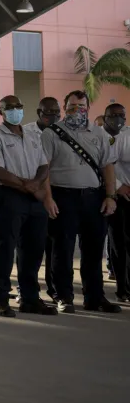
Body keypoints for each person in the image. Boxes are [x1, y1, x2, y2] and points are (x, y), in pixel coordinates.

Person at [42, 90, 120, 313]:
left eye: (82, 106)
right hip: (62, 197)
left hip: (93, 198)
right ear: (65, 107)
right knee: (62, 249)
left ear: (88, 107)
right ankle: (63, 296)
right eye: (73, 106)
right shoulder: (51, 134)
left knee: (94, 250)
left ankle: (95, 297)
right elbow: (43, 169)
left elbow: (108, 166)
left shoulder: (98, 133)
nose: (77, 110)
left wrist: (110, 196)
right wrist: (48, 198)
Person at [0, 95, 58, 317]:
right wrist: (29, 186)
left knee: (33, 250)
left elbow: (44, 165)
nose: (15, 110)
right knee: (4, 248)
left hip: (34, 199)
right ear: (1, 112)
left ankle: (29, 298)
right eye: (10, 107)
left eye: (18, 106)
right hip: (8, 197)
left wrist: (35, 186)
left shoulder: (33, 135)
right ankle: (0, 298)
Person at [27, 96, 63, 297]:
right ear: (39, 112)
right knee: (32, 245)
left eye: (56, 112)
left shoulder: (63, 132)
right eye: (48, 113)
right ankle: (28, 287)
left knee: (53, 243)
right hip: (31, 193)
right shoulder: (26, 132)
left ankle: (54, 288)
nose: (52, 116)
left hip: (56, 193)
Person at [103, 103, 129, 302]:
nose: (117, 119)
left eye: (121, 115)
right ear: (105, 117)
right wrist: (119, 187)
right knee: (119, 243)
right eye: (113, 115)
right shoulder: (99, 137)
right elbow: (103, 165)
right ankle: (124, 288)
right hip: (113, 196)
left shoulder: (128, 135)